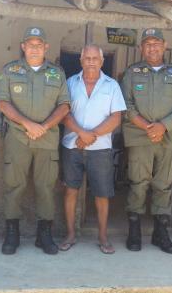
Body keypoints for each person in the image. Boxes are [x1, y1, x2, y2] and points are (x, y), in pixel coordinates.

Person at [0, 26, 70, 255]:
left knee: (45, 188)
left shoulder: (57, 74)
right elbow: (2, 103)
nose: (35, 48)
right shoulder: (10, 70)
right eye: (30, 44)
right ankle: (12, 233)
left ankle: (43, 235)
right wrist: (28, 124)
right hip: (18, 137)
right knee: (14, 186)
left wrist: (44, 127)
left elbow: (65, 105)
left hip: (47, 140)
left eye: (39, 44)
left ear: (46, 47)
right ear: (23, 46)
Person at [120, 28, 172, 254]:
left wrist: (163, 125)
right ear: (141, 48)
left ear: (164, 45)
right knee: (138, 182)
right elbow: (126, 105)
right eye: (147, 43)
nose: (152, 48)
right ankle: (134, 231)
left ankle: (160, 234)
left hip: (167, 136)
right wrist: (147, 126)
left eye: (156, 43)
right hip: (140, 136)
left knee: (164, 183)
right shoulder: (132, 73)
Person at [59, 45, 126, 255]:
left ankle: (103, 237)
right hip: (72, 146)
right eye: (86, 58)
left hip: (100, 150)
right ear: (81, 61)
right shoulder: (70, 83)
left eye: (94, 58)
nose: (90, 62)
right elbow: (64, 113)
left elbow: (116, 117)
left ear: (101, 61)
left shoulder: (112, 86)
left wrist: (90, 136)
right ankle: (70, 234)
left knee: (102, 193)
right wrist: (80, 133)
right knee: (71, 190)